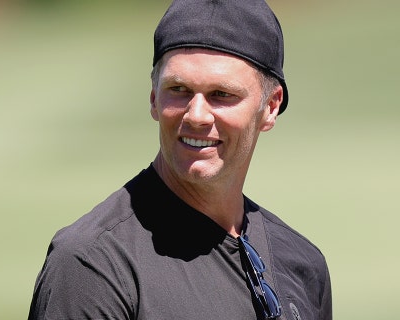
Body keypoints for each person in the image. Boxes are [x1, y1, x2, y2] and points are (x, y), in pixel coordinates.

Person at [27, 0, 332, 319]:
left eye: (222, 95)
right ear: (154, 98)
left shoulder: (301, 262)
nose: (196, 115)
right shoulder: (93, 264)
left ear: (270, 106)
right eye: (179, 89)